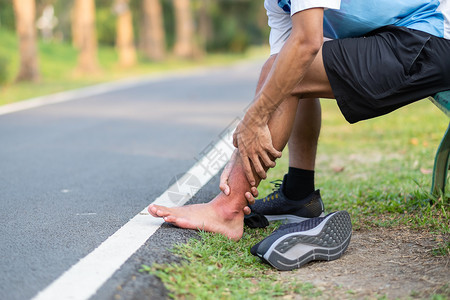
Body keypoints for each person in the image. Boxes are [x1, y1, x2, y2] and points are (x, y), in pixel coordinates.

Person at [149, 0, 450, 241]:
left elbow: (305, 45)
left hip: (433, 38)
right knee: (285, 72)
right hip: (406, 37)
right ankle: (298, 195)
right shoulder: (276, 3)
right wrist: (241, 151)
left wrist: (253, 124)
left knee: (291, 72)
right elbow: (281, 66)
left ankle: (227, 212)